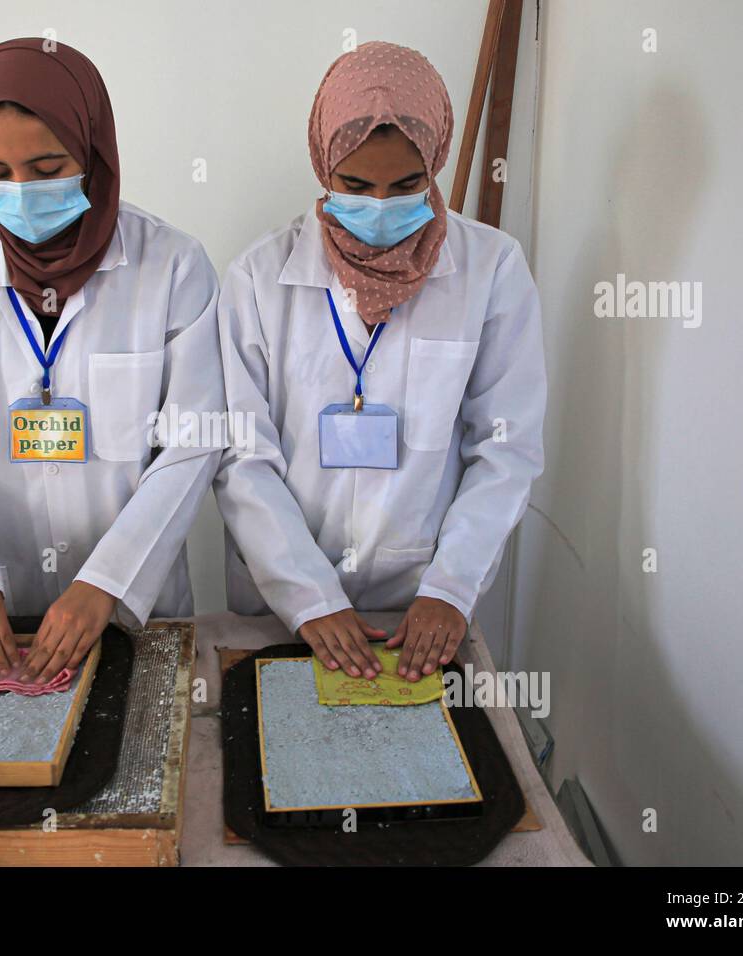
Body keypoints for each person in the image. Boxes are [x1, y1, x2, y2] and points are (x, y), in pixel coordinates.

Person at [0, 38, 224, 682]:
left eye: (47, 166)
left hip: (130, 605)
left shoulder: (170, 265)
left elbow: (193, 440)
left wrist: (108, 581)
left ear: (91, 151)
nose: (22, 191)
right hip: (0, 598)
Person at [213, 41, 546, 683]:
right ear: (323, 166)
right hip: (285, 606)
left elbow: (506, 448)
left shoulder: (491, 269)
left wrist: (450, 588)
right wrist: (309, 596)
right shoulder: (258, 278)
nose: (381, 207)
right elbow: (242, 455)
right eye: (356, 186)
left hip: (420, 601)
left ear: (436, 165)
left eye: (407, 185)